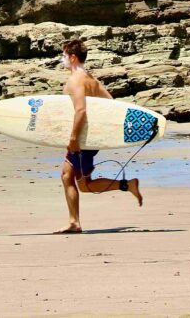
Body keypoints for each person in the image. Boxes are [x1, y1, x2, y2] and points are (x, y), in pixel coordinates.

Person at [57, 39, 143, 234]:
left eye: (64, 56)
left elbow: (80, 111)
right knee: (78, 181)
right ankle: (127, 185)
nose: (62, 60)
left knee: (72, 179)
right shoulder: (92, 79)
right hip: (90, 138)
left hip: (82, 140)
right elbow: (111, 104)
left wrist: (73, 139)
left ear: (72, 57)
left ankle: (74, 222)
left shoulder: (76, 80)